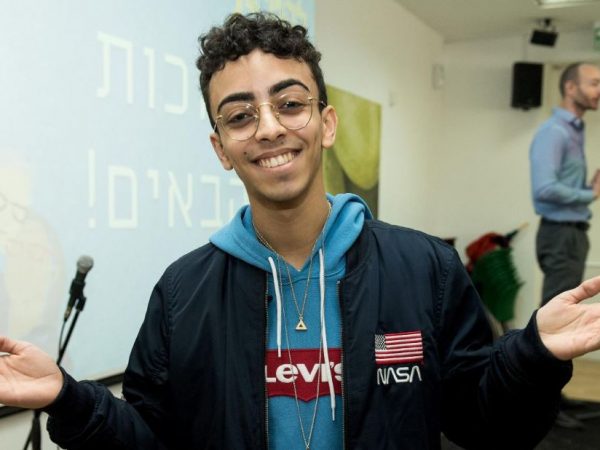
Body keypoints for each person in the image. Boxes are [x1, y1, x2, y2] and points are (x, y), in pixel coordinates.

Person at [2, 12, 600, 450]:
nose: (268, 128)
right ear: (220, 148)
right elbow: (149, 438)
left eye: (289, 104)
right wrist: (67, 397)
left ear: (326, 123)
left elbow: (484, 426)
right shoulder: (183, 292)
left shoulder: (424, 269)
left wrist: (535, 354)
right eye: (240, 116)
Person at [530, 62, 600, 429]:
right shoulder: (554, 132)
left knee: (564, 318)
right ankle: (543, 403)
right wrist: (590, 193)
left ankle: (553, 394)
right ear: (571, 88)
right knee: (555, 320)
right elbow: (543, 189)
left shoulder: (573, 130)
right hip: (560, 234)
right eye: (594, 83)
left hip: (572, 232)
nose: (599, 90)